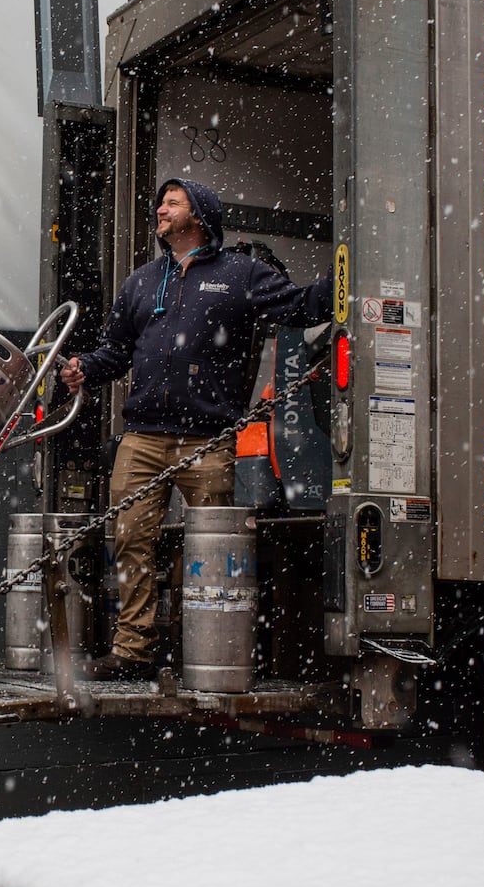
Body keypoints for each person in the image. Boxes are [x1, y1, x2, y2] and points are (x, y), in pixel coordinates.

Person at [59, 178, 330, 679]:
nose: (160, 208)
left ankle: (206, 647)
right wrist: (85, 368)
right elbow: (115, 351)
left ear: (200, 216)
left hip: (208, 439)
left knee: (212, 548)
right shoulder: (141, 281)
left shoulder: (242, 273)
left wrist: (346, 279)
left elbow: (298, 307)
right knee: (130, 538)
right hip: (142, 436)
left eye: (172, 202)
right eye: (160, 200)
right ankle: (132, 652)